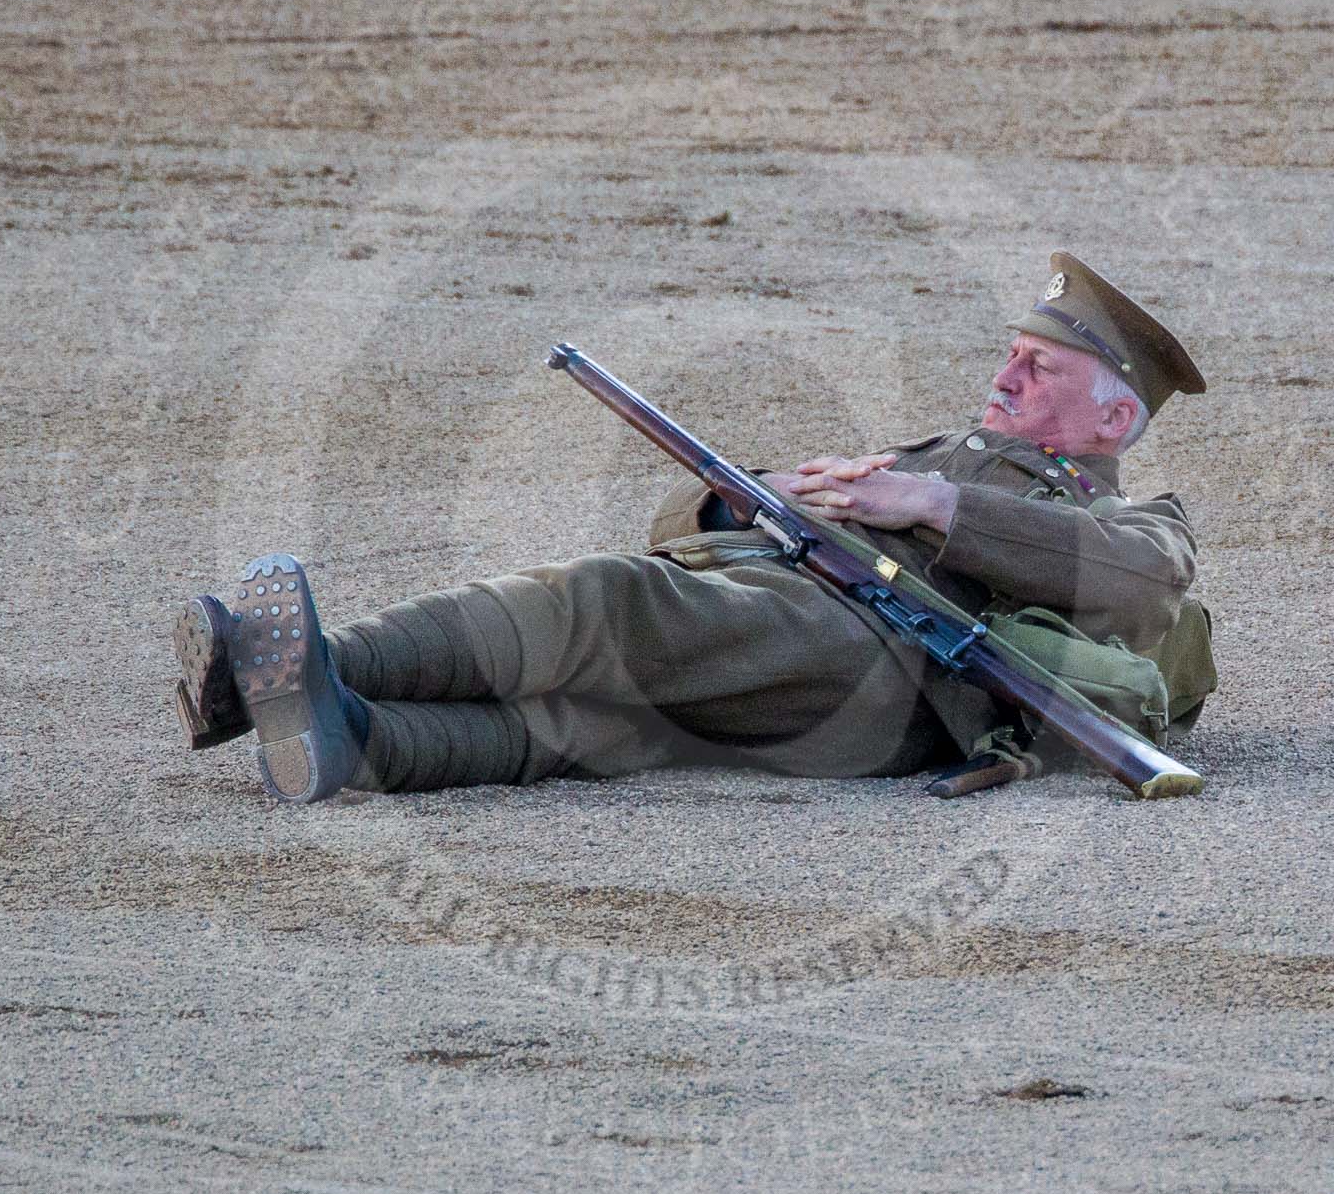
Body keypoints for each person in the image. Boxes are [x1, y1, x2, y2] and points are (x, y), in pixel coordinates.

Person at [172, 251, 1208, 803]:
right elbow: (684, 527)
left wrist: (931, 506)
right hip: (815, 663)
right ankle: (347, 734)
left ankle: (308, 659)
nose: (1004, 374)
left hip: (885, 672)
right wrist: (753, 494)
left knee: (609, 603)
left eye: (1041, 369)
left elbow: (1144, 580)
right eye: (1012, 353)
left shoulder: (1120, 513)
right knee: (591, 725)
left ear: (1114, 415)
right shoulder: (931, 448)